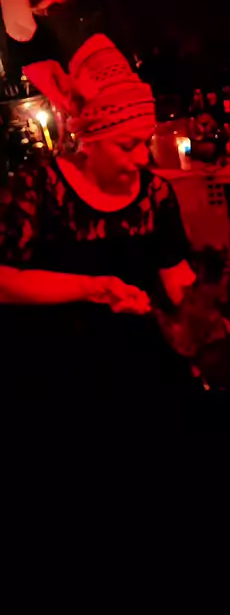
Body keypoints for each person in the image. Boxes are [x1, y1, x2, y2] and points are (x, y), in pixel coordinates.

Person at [0, 34, 197, 396]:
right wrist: (91, 289)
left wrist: (202, 308)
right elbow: (5, 282)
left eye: (145, 142)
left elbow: (175, 277)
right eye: (127, 145)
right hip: (55, 365)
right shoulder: (38, 190)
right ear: (90, 140)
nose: (142, 157)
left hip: (139, 363)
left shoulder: (155, 193)